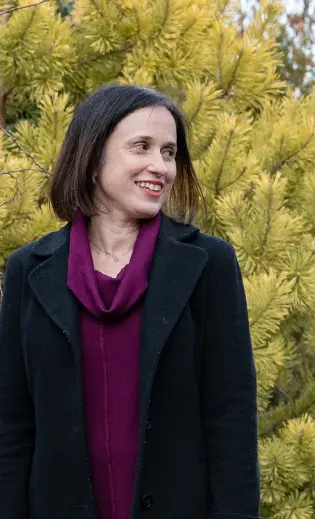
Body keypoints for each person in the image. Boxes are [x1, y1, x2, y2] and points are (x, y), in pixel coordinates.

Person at [0, 84, 260, 519]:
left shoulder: (209, 265)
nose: (160, 166)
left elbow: (231, 422)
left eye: (169, 152)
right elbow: (12, 426)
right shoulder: (29, 270)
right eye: (142, 146)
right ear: (93, 154)